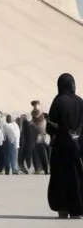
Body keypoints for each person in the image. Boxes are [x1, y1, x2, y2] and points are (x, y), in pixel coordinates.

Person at [46, 73, 83, 219]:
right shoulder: (81, 102)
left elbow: (50, 126)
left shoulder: (58, 101)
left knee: (61, 178)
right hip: (78, 148)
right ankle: (78, 210)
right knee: (77, 177)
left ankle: (63, 208)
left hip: (61, 147)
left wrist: (60, 132)